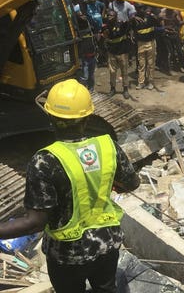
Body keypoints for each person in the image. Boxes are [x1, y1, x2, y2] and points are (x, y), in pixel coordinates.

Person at [0, 79, 140, 292]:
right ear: (86, 117)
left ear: (51, 117)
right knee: (107, 288)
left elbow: (35, 223)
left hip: (67, 256)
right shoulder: (107, 147)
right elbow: (132, 183)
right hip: (106, 244)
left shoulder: (44, 161)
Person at [103, 9, 131, 99]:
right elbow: (105, 37)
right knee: (112, 71)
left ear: (116, 17)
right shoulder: (106, 26)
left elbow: (129, 24)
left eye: (111, 16)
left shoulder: (121, 24)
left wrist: (131, 19)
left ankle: (125, 89)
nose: (109, 17)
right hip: (112, 52)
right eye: (108, 15)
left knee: (124, 71)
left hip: (122, 52)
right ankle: (112, 89)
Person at [73, 0, 99, 92]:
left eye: (83, 14)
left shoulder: (90, 25)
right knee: (85, 75)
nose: (83, 16)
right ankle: (84, 90)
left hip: (92, 56)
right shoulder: (77, 30)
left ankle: (91, 89)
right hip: (84, 58)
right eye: (80, 15)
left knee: (91, 75)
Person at [132, 5, 159, 90]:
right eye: (138, 8)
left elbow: (158, 24)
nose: (140, 10)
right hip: (140, 44)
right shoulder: (134, 20)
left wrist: (155, 17)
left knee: (151, 64)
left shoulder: (150, 17)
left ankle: (150, 82)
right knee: (141, 64)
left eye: (142, 8)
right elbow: (130, 27)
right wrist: (133, 18)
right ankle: (141, 82)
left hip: (150, 43)